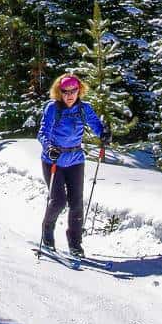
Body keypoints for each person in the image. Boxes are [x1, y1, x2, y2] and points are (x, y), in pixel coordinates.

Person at [37, 73, 111, 257]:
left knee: (76, 203)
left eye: (74, 91)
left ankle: (75, 244)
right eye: (65, 91)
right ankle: (47, 229)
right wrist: (49, 147)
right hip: (53, 160)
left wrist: (104, 134)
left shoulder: (83, 108)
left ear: (79, 91)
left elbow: (96, 126)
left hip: (76, 160)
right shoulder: (53, 108)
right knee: (59, 201)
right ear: (59, 92)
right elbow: (42, 132)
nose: (70, 95)